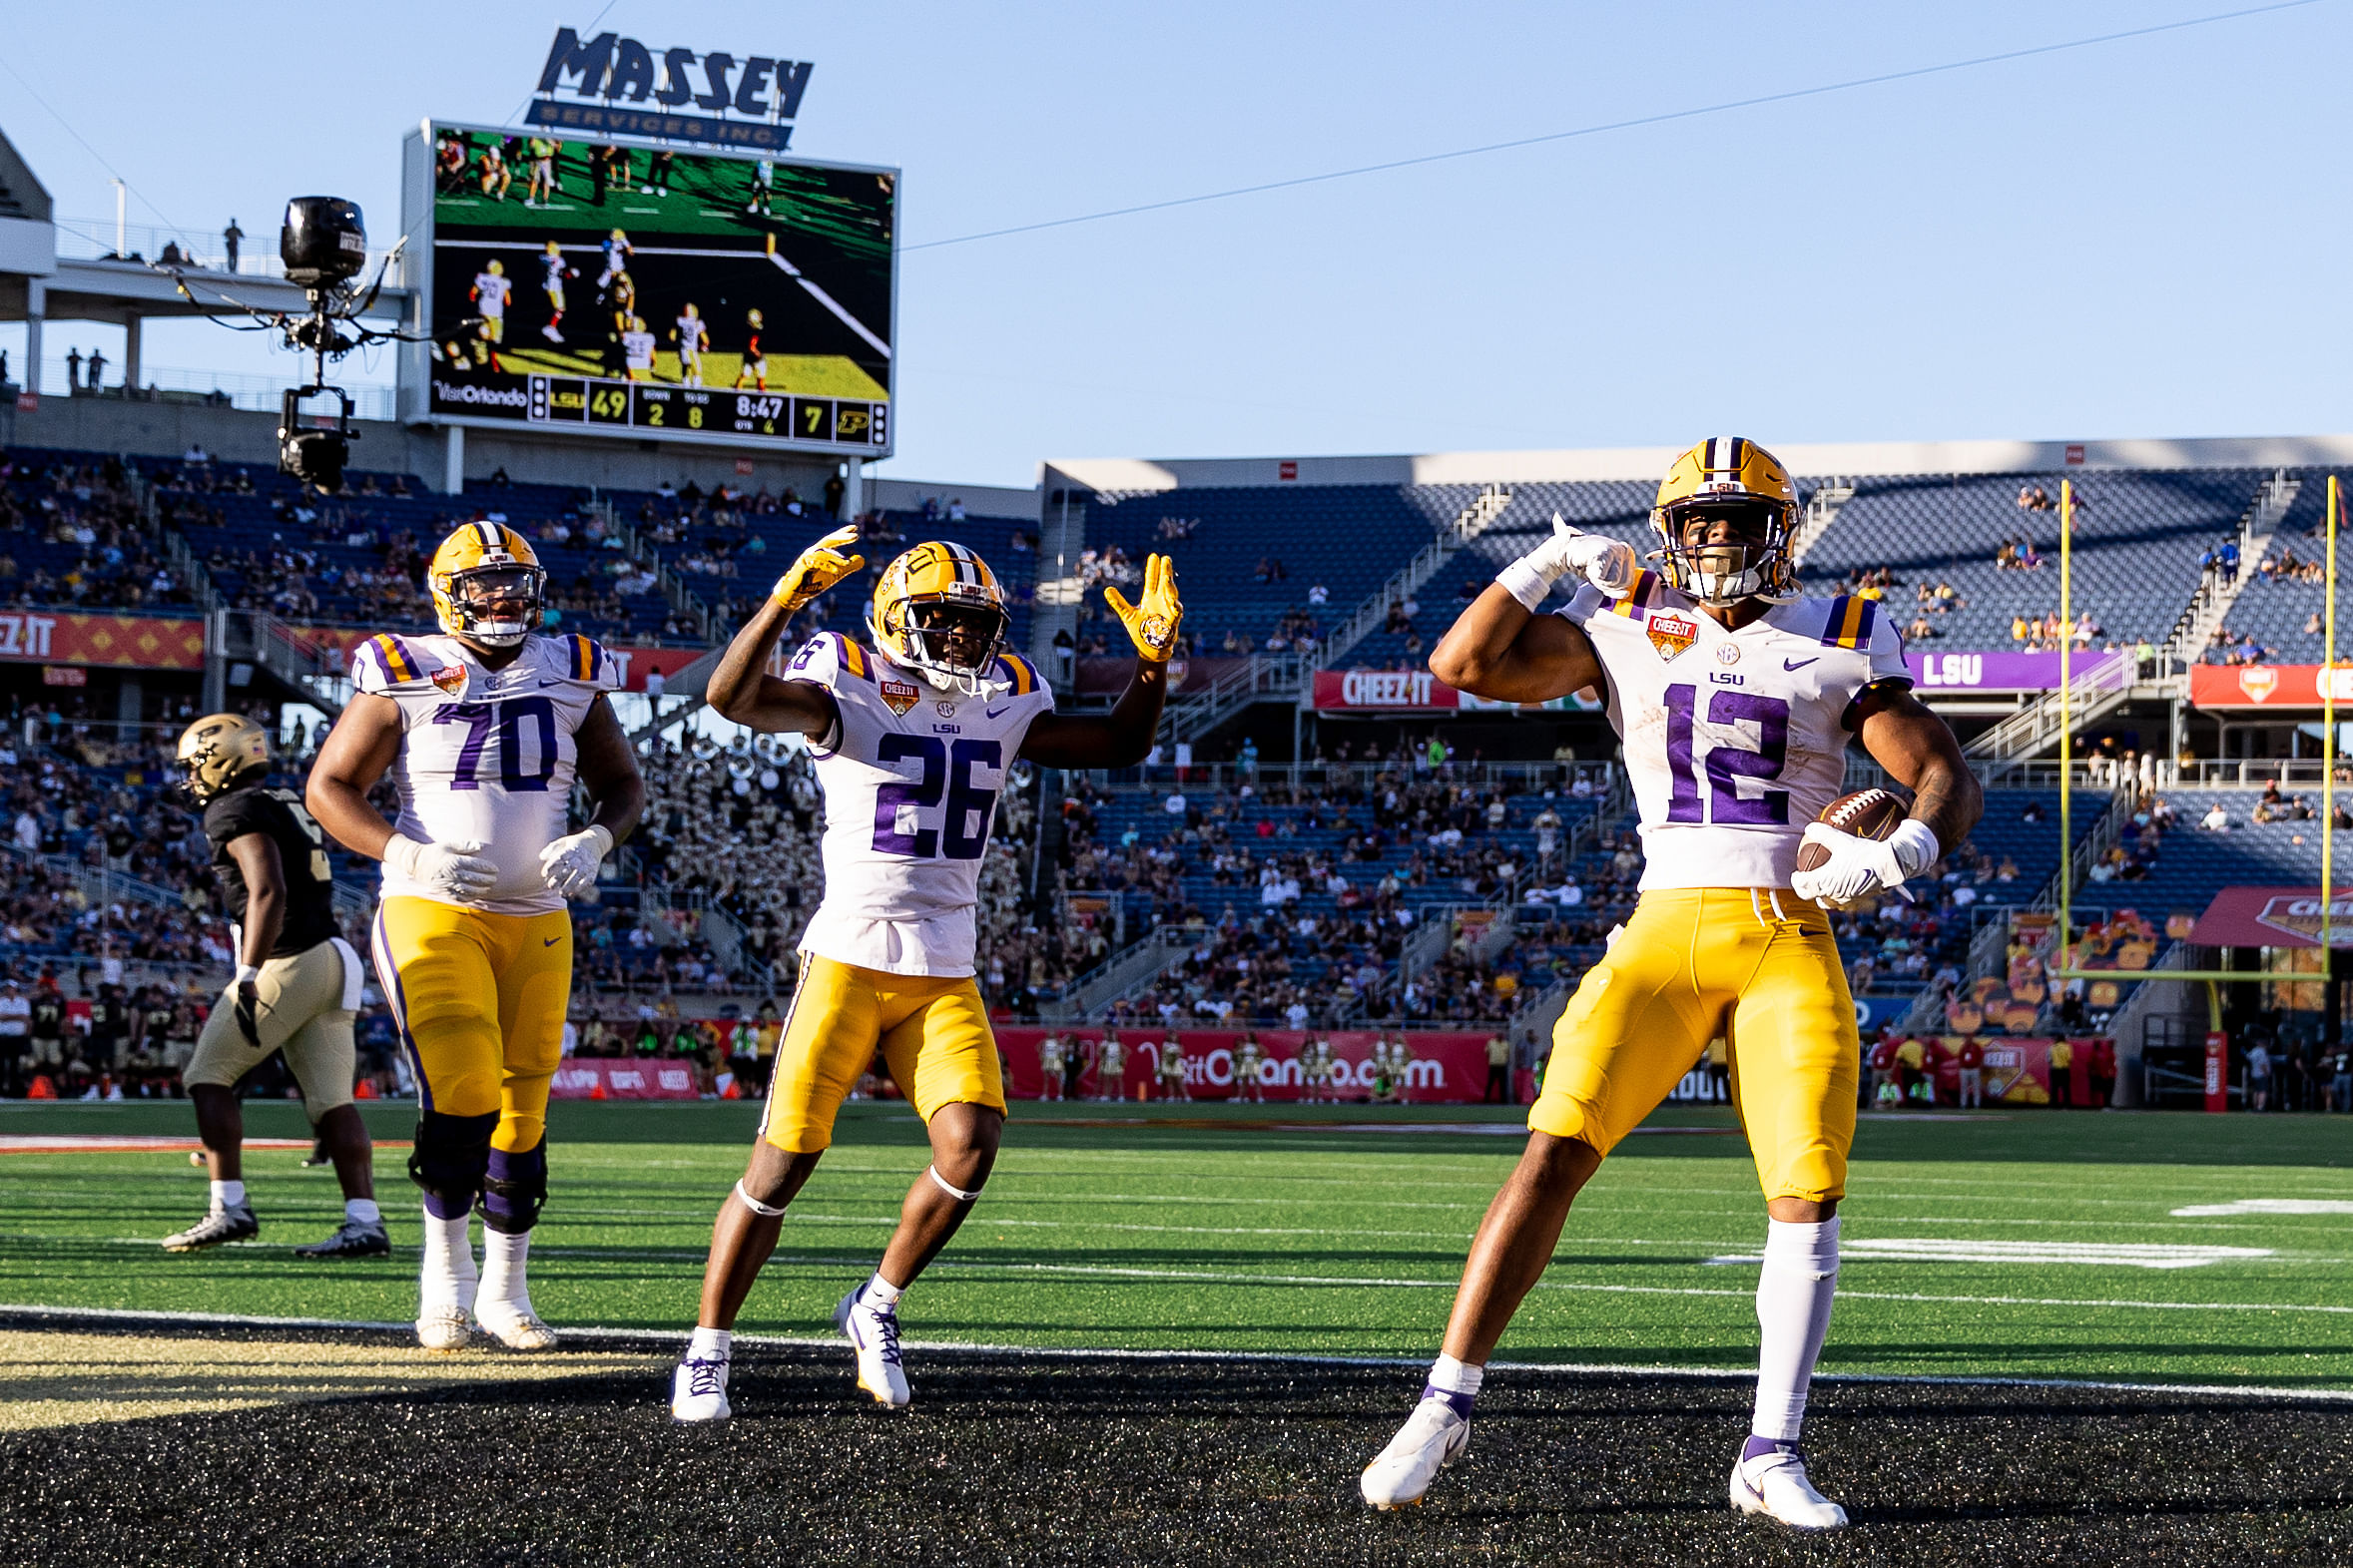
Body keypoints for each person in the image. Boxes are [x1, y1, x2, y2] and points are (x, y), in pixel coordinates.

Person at [1360, 437, 1980, 1529]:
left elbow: (1934, 769)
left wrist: (1908, 849)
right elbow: (1462, 665)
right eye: (1694, 522)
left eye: (1734, 521)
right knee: (1553, 1148)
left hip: (1785, 931)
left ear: (1776, 533)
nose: (1712, 539)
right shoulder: (1622, 623)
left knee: (1805, 1190)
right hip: (1661, 924)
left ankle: (1768, 1449)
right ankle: (1441, 1401)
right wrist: (1539, 563)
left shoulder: (1839, 628)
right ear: (1666, 533)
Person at [669, 529, 1179, 1421]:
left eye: (973, 623)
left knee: (971, 1145)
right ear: (897, 616)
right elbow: (731, 697)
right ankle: (707, 1348)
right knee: (781, 1164)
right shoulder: (849, 675)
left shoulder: (1009, 692)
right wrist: (785, 596)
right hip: (850, 957)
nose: (959, 639)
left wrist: (1151, 663)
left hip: (945, 964)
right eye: (942, 620)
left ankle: (875, 1303)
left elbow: (1116, 745)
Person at [307, 522, 645, 1350]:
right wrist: (405, 851)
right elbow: (329, 785)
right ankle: (445, 1272)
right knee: (462, 1089)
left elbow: (623, 784)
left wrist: (599, 837)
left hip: (537, 920)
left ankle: (505, 1287)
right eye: (486, 586)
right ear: (449, 594)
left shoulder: (571, 670)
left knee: (523, 1109)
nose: (503, 600)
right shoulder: (405, 668)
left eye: (514, 584)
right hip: (433, 908)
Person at [162, 715, 384, 1259]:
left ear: (221, 759)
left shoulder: (231, 809)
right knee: (332, 1100)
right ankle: (364, 1221)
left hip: (291, 960)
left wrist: (248, 972)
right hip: (335, 956)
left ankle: (228, 1207)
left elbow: (267, 890)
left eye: (196, 764)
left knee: (208, 1076)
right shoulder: (281, 799)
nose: (193, 777)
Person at [1236, 1032, 1266, 1103]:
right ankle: (1240, 1097)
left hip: (1254, 1063)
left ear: (1251, 1037)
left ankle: (1259, 1097)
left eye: (1248, 1036)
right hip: (1245, 1063)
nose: (1246, 1037)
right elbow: (1237, 1052)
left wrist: (1259, 1059)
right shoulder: (1244, 1045)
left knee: (1256, 1081)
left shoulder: (1257, 1045)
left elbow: (1265, 1052)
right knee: (1244, 1082)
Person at [1096, 1029, 1126, 1101]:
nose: (1113, 1036)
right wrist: (1103, 1055)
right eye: (1112, 1035)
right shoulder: (1105, 1044)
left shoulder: (1118, 1044)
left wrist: (1122, 1058)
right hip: (1107, 1063)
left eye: (1114, 1035)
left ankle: (1121, 1096)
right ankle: (1106, 1095)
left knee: (1119, 1080)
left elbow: (1127, 1051)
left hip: (1116, 1063)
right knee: (1107, 1080)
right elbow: (1099, 1053)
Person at [1956, 1035, 1984, 1109]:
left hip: (1974, 1069)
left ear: (1972, 1038)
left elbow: (1981, 1057)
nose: (1968, 1039)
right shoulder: (1963, 1047)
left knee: (1976, 1088)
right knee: (1963, 1088)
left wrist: (1979, 1068)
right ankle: (1963, 1105)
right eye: (1966, 1038)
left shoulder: (1976, 1047)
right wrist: (1961, 1067)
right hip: (1965, 1069)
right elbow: (1960, 1057)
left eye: (1969, 1038)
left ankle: (1976, 1105)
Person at [1482, 1031, 1510, 1105]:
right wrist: (1492, 1059)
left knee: (1503, 1084)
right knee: (1490, 1083)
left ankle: (1503, 1100)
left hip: (1502, 1066)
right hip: (1493, 1066)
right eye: (1499, 1036)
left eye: (1501, 1036)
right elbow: (1487, 1052)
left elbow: (1508, 1054)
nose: (1500, 1037)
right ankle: (1486, 1099)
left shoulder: (1506, 1044)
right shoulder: (1491, 1042)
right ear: (1496, 1036)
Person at [1038, 1031, 1065, 1102]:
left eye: (1052, 1033)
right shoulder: (1044, 1041)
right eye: (1050, 1032)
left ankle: (1060, 1095)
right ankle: (1045, 1095)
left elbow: (1062, 1051)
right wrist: (1041, 1055)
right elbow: (1040, 1048)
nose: (1051, 1034)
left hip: (1056, 1060)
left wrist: (1061, 1059)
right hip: (1047, 1060)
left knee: (1058, 1079)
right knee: (1046, 1079)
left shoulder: (1059, 1041)